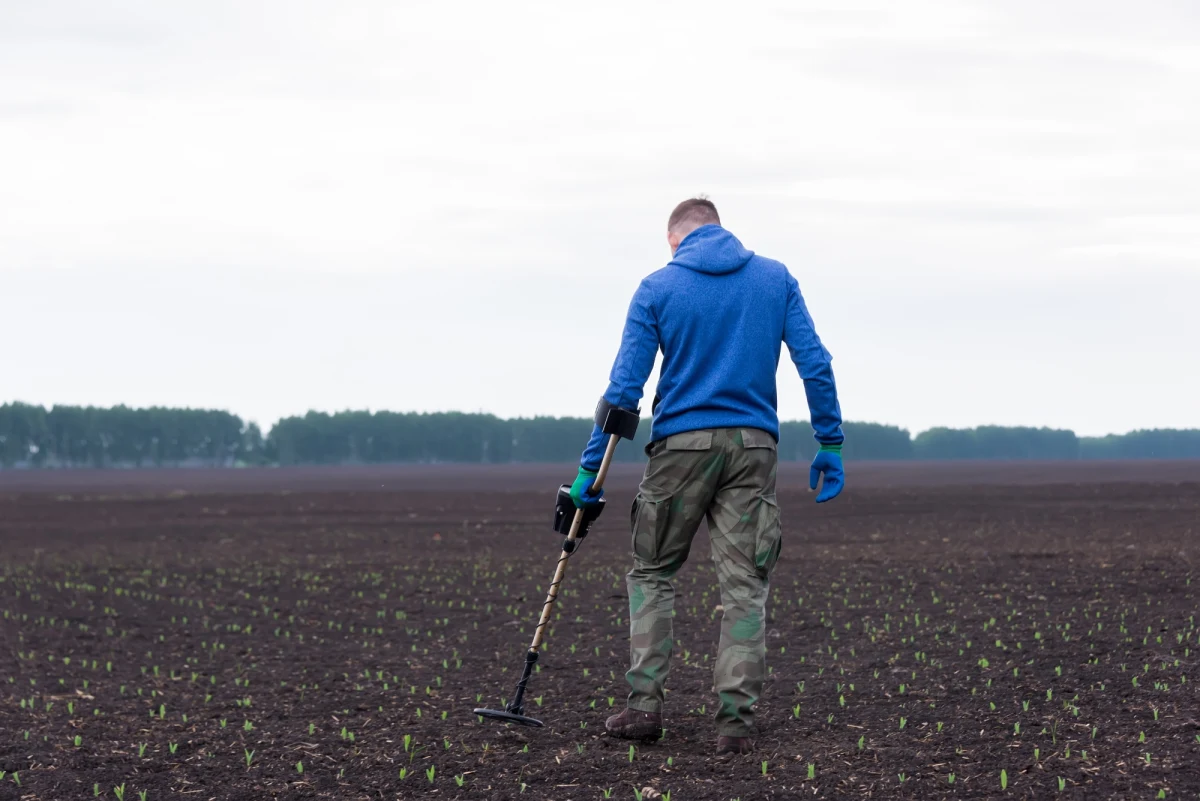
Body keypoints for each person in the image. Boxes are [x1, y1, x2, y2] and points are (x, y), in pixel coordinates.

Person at [568, 197, 845, 755]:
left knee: (652, 572)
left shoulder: (658, 287)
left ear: (675, 240)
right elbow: (814, 361)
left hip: (680, 449)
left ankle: (644, 708)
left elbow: (624, 392)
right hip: (753, 447)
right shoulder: (776, 278)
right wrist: (829, 440)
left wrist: (588, 470)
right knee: (745, 586)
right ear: (720, 229)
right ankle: (735, 725)